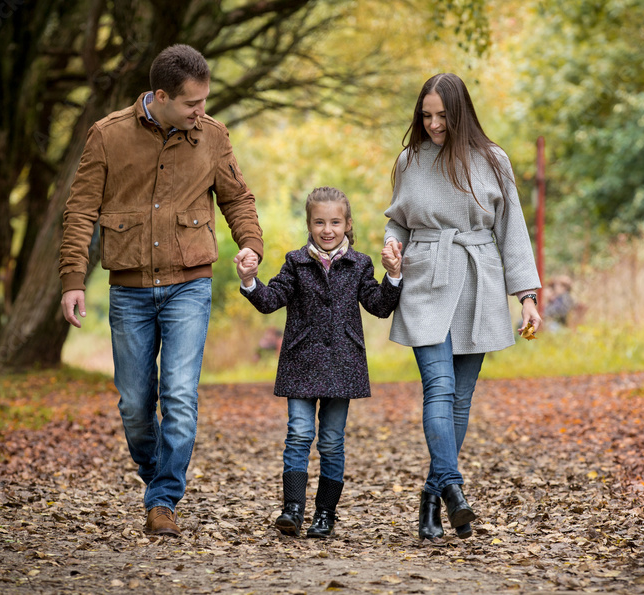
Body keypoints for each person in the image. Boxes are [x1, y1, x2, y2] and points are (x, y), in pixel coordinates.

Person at [59, 44, 263, 537]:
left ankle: (163, 499)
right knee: (134, 402)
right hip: (128, 290)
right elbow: (80, 210)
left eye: (205, 101)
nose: (202, 111)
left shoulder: (211, 136)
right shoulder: (107, 136)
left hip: (189, 285)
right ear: (161, 95)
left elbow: (238, 197)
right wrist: (72, 279)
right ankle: (159, 479)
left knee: (178, 393)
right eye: (193, 103)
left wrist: (251, 243)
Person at [383, 73, 542, 541]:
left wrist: (527, 297)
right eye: (426, 115)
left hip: (479, 277)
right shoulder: (409, 161)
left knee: (461, 398)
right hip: (426, 277)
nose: (433, 124)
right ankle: (453, 486)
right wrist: (393, 248)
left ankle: (431, 499)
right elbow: (397, 222)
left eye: (442, 115)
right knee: (439, 387)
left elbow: (512, 231)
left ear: (460, 112)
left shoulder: (493, 161)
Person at [236, 187, 402, 538]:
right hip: (301, 362)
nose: (328, 229)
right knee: (298, 434)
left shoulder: (359, 264)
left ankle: (325, 514)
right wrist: (249, 280)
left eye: (335, 222)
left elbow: (379, 305)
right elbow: (270, 300)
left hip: (343, 364)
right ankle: (292, 510)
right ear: (309, 224)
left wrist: (393, 275)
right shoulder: (296, 263)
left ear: (347, 224)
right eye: (320, 222)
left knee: (331, 440)